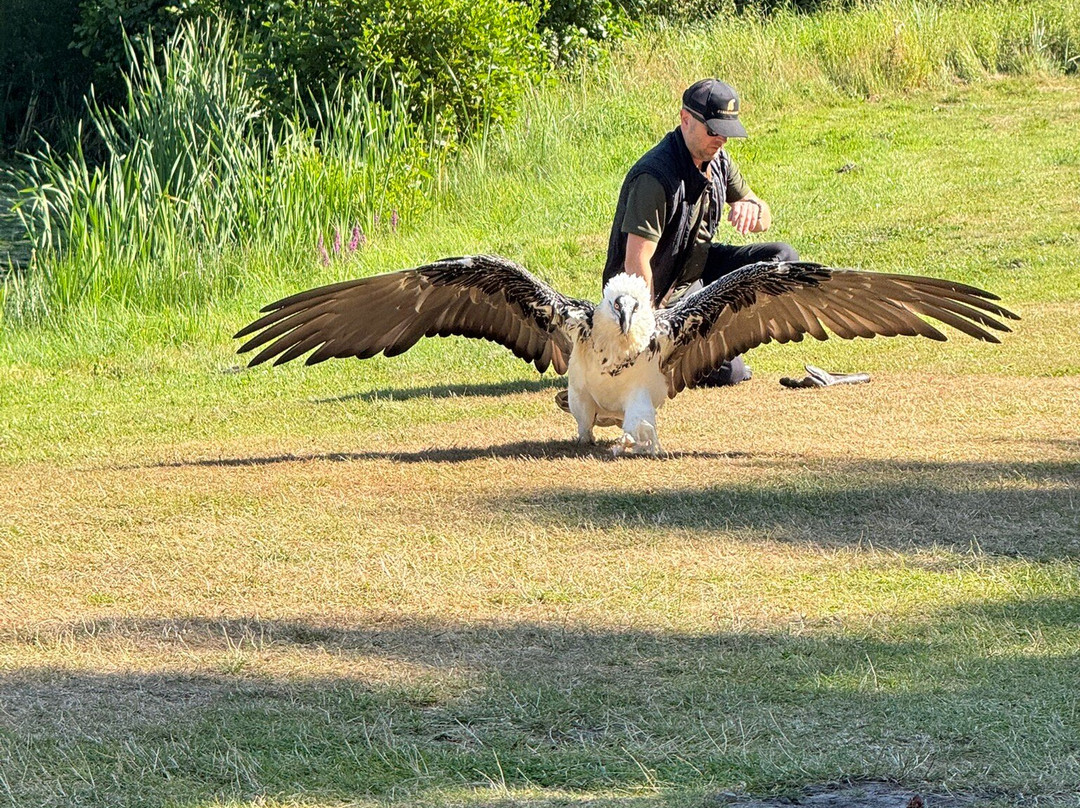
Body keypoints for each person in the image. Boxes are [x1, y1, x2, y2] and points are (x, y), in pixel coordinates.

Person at [602, 77, 800, 386]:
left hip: (694, 272)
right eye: (713, 130)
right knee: (730, 373)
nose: (720, 140)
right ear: (685, 119)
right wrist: (650, 331)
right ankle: (693, 350)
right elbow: (635, 262)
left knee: (782, 259)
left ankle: (727, 334)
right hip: (658, 300)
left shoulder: (717, 160)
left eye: (726, 133)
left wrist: (753, 208)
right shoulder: (655, 176)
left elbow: (764, 217)